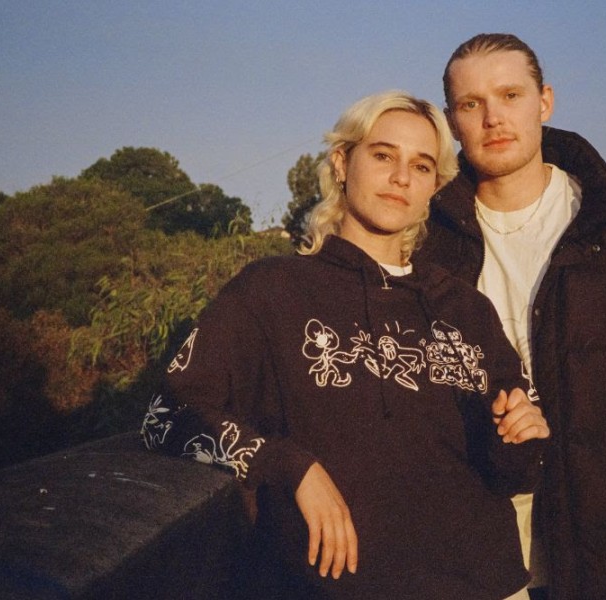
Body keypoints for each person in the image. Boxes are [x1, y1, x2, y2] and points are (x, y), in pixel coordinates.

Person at [141, 90, 550, 600]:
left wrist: (521, 437)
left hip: (489, 587)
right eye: (383, 155)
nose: (401, 177)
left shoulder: (467, 309)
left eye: (421, 166)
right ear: (341, 162)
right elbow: (167, 415)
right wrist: (292, 468)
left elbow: (514, 472)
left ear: (435, 187)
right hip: (338, 588)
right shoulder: (271, 291)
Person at [414, 34, 606, 599]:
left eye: (510, 95)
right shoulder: (423, 244)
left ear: (545, 102)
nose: (492, 118)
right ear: (452, 122)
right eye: (471, 104)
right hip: (468, 555)